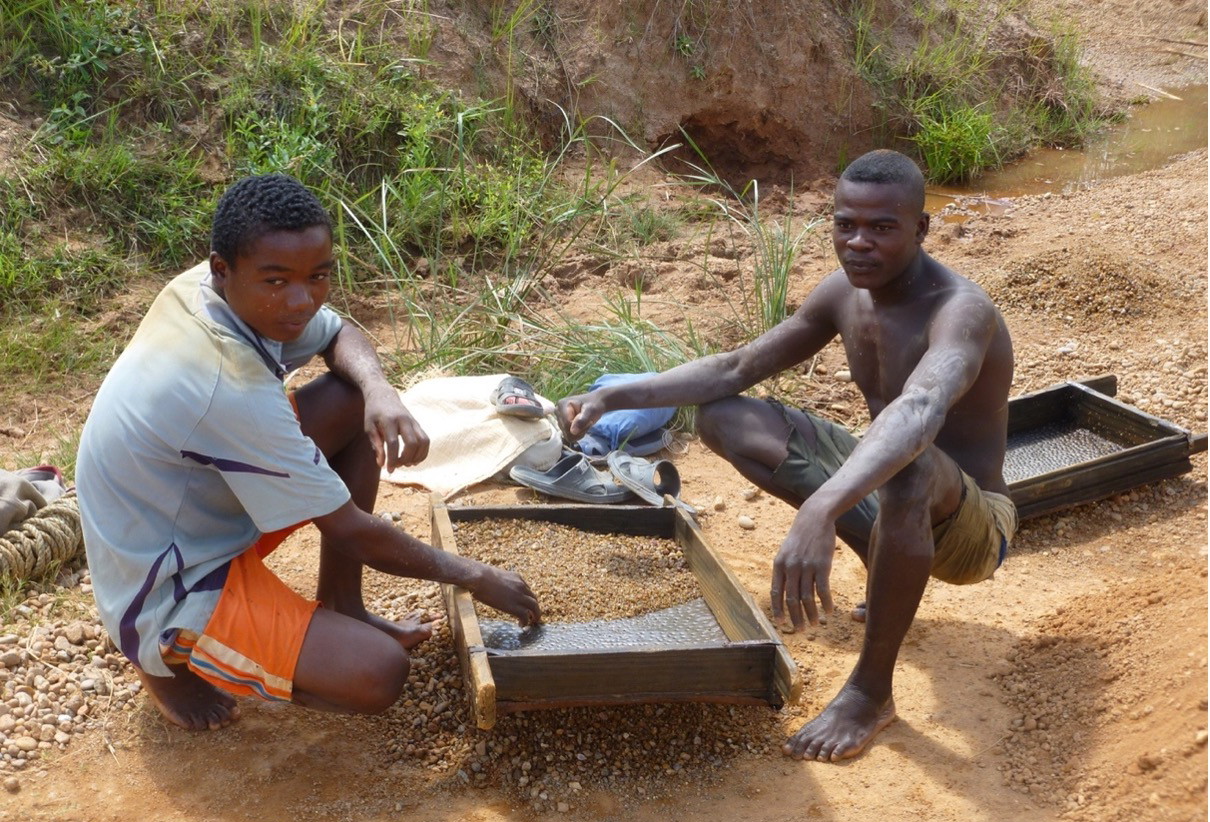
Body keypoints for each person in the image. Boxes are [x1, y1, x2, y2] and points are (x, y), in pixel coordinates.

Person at [558, 150, 1015, 762]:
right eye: (844, 224)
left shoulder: (960, 311)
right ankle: (882, 560)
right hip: (898, 496)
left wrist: (821, 508)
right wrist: (616, 393)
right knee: (723, 414)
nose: (859, 243)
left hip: (974, 524)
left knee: (907, 460)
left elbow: (919, 411)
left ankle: (870, 695)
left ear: (921, 230)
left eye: (882, 228)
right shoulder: (843, 294)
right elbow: (736, 367)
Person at [76, 173, 540, 732]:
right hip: (168, 574)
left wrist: (380, 392)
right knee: (377, 674)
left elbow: (338, 332)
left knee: (351, 398)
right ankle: (164, 654)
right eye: (278, 281)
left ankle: (343, 602)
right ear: (223, 269)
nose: (300, 301)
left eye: (317, 276)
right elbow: (349, 528)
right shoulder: (225, 383)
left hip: (195, 501)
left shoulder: (213, 287)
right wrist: (473, 575)